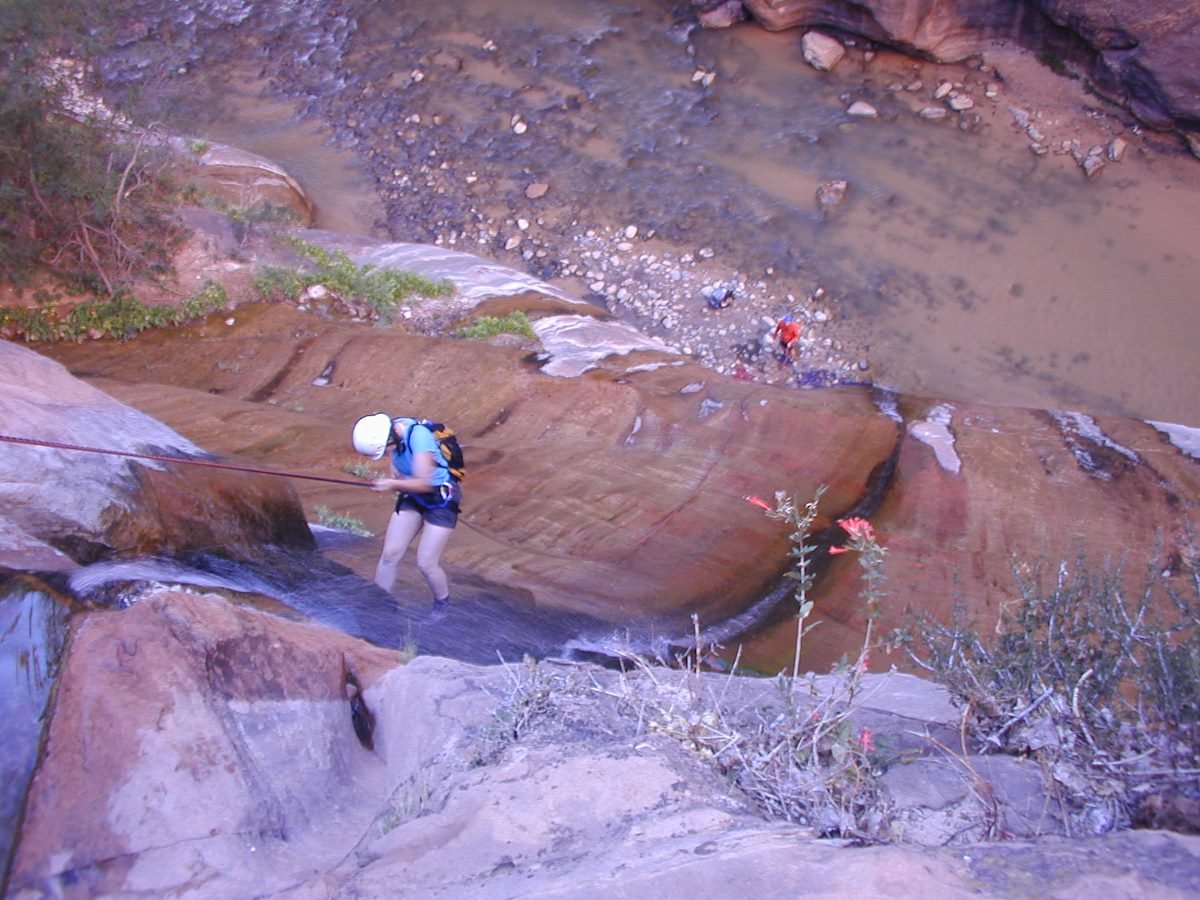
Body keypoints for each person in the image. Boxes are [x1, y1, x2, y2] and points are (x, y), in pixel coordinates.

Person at [352, 413, 462, 613]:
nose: (387, 453)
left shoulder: (419, 437)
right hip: (413, 494)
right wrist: (393, 480)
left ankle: (442, 606)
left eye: (386, 449)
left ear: (390, 437)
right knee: (390, 554)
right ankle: (379, 604)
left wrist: (392, 484)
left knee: (426, 563)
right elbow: (399, 472)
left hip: (440, 498)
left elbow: (425, 483)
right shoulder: (394, 438)